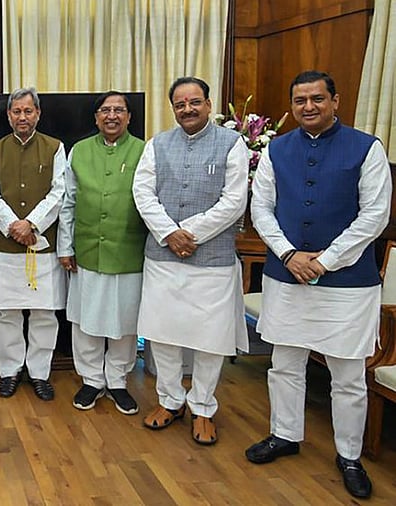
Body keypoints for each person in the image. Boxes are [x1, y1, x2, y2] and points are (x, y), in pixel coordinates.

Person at [245, 70, 391, 499]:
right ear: (292, 105)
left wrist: (325, 261)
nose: (308, 106)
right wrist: (289, 254)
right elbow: (262, 209)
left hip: (347, 284)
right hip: (287, 276)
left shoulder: (367, 148)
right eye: (300, 100)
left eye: (317, 99)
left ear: (336, 101)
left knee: (347, 376)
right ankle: (284, 434)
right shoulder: (276, 149)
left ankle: (349, 455)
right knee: (285, 365)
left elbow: (375, 216)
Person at [132, 76, 249, 444]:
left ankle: (202, 407)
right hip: (163, 256)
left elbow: (234, 201)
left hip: (211, 261)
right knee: (163, 334)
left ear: (208, 104)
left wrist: (190, 233)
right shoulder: (157, 144)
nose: (187, 109)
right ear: (173, 109)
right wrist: (169, 233)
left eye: (194, 102)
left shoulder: (233, 144)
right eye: (180, 104)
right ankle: (170, 401)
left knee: (209, 339)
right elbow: (142, 192)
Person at [58, 91, 147, 414]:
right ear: (96, 117)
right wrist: (65, 246)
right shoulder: (79, 151)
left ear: (128, 117)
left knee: (125, 319)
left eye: (119, 110)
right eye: (106, 110)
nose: (112, 115)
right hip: (87, 249)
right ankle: (92, 380)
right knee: (86, 319)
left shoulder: (144, 150)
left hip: (128, 250)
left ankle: (118, 381)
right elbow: (67, 202)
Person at [0, 87, 67, 401]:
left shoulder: (55, 148)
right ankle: (9, 371)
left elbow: (59, 192)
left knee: (44, 314)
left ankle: (40, 373)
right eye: (16, 111)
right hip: (7, 246)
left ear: (38, 114)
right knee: (8, 314)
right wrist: (13, 226)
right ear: (8, 115)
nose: (22, 117)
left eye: (28, 111)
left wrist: (31, 224)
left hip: (43, 243)